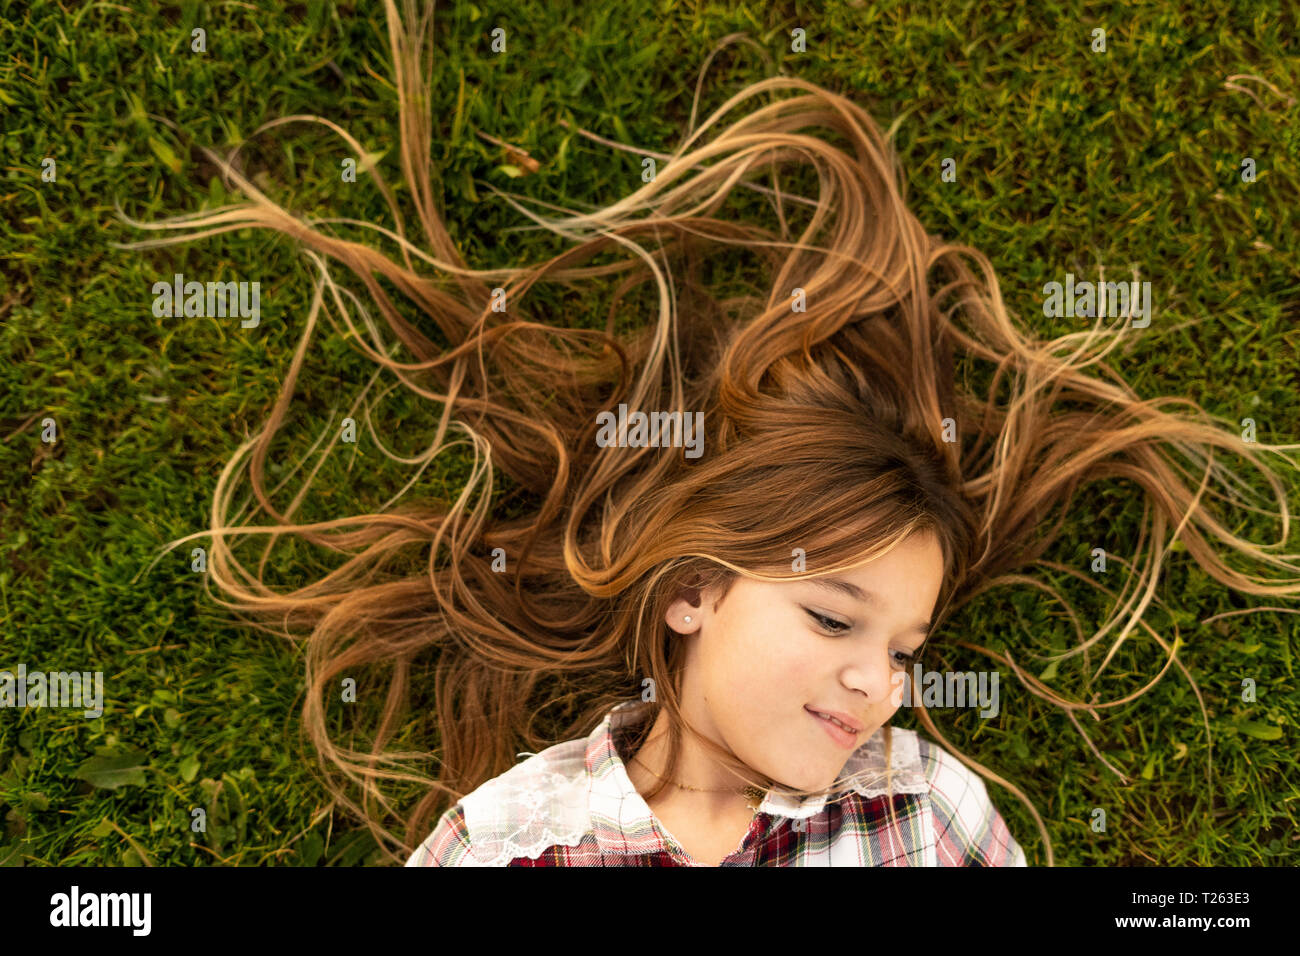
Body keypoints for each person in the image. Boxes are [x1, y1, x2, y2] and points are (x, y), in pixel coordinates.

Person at [124, 0, 1300, 866]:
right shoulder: (502, 840)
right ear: (691, 589)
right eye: (837, 616)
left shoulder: (923, 811)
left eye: (904, 650)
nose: (875, 684)